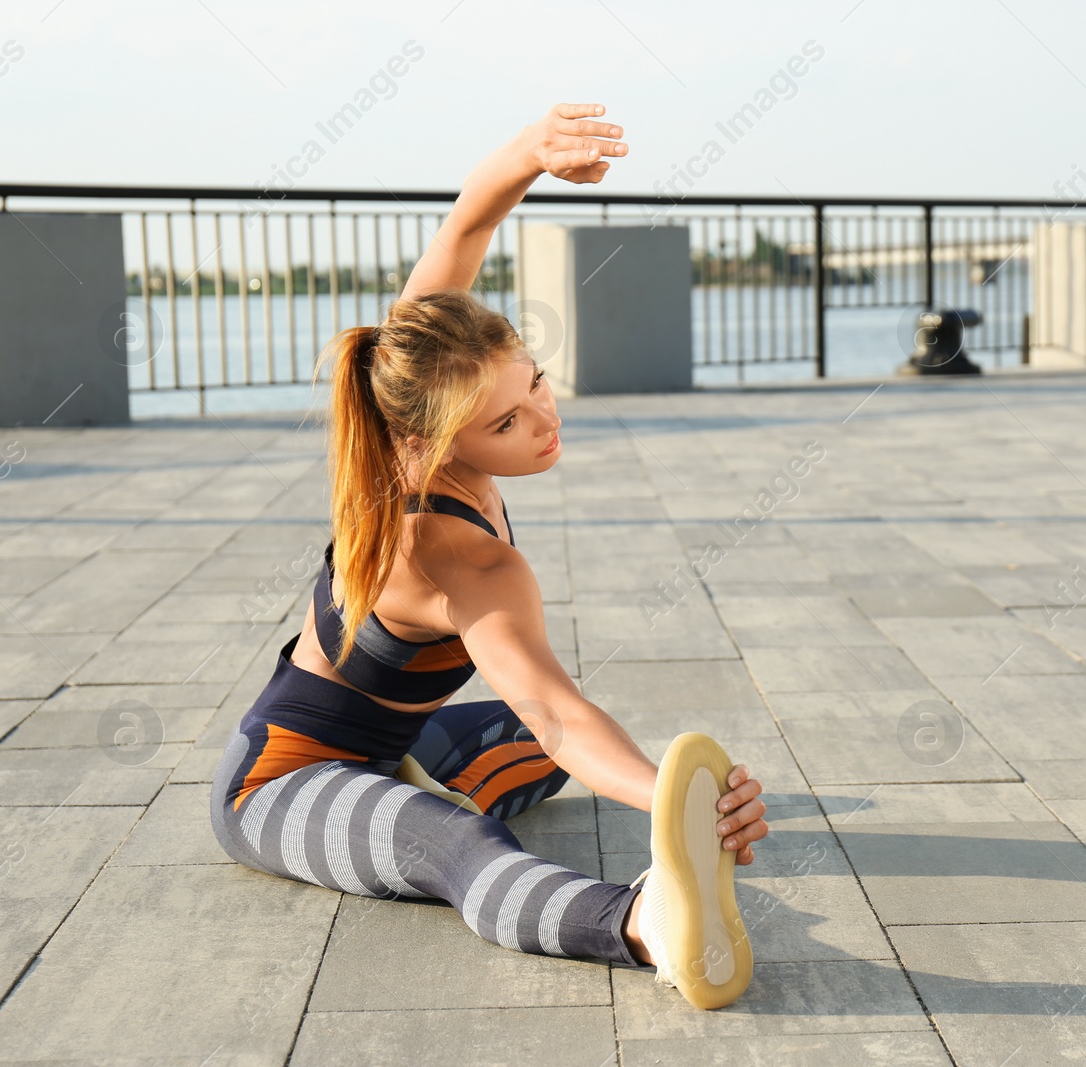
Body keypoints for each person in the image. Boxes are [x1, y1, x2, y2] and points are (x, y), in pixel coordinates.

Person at [207, 103, 765, 1010]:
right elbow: (553, 709)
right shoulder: (451, 551)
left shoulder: (418, 384)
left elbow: (467, 225)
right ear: (440, 437)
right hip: (281, 780)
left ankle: (425, 785)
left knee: (548, 767)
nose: (544, 420)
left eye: (536, 381)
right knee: (461, 847)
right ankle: (644, 923)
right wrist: (675, 798)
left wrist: (532, 154)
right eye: (507, 422)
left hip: (396, 746)